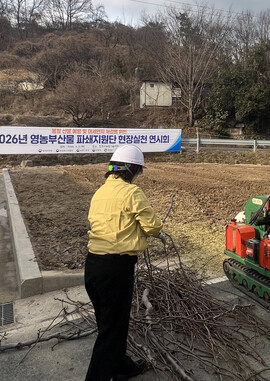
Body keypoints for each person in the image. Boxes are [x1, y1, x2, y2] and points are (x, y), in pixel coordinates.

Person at [84, 145, 164, 381]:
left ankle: (122, 367)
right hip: (116, 269)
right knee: (112, 331)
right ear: (132, 170)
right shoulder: (132, 193)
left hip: (93, 266)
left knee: (109, 324)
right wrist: (155, 231)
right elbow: (153, 226)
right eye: (139, 171)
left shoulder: (99, 192)